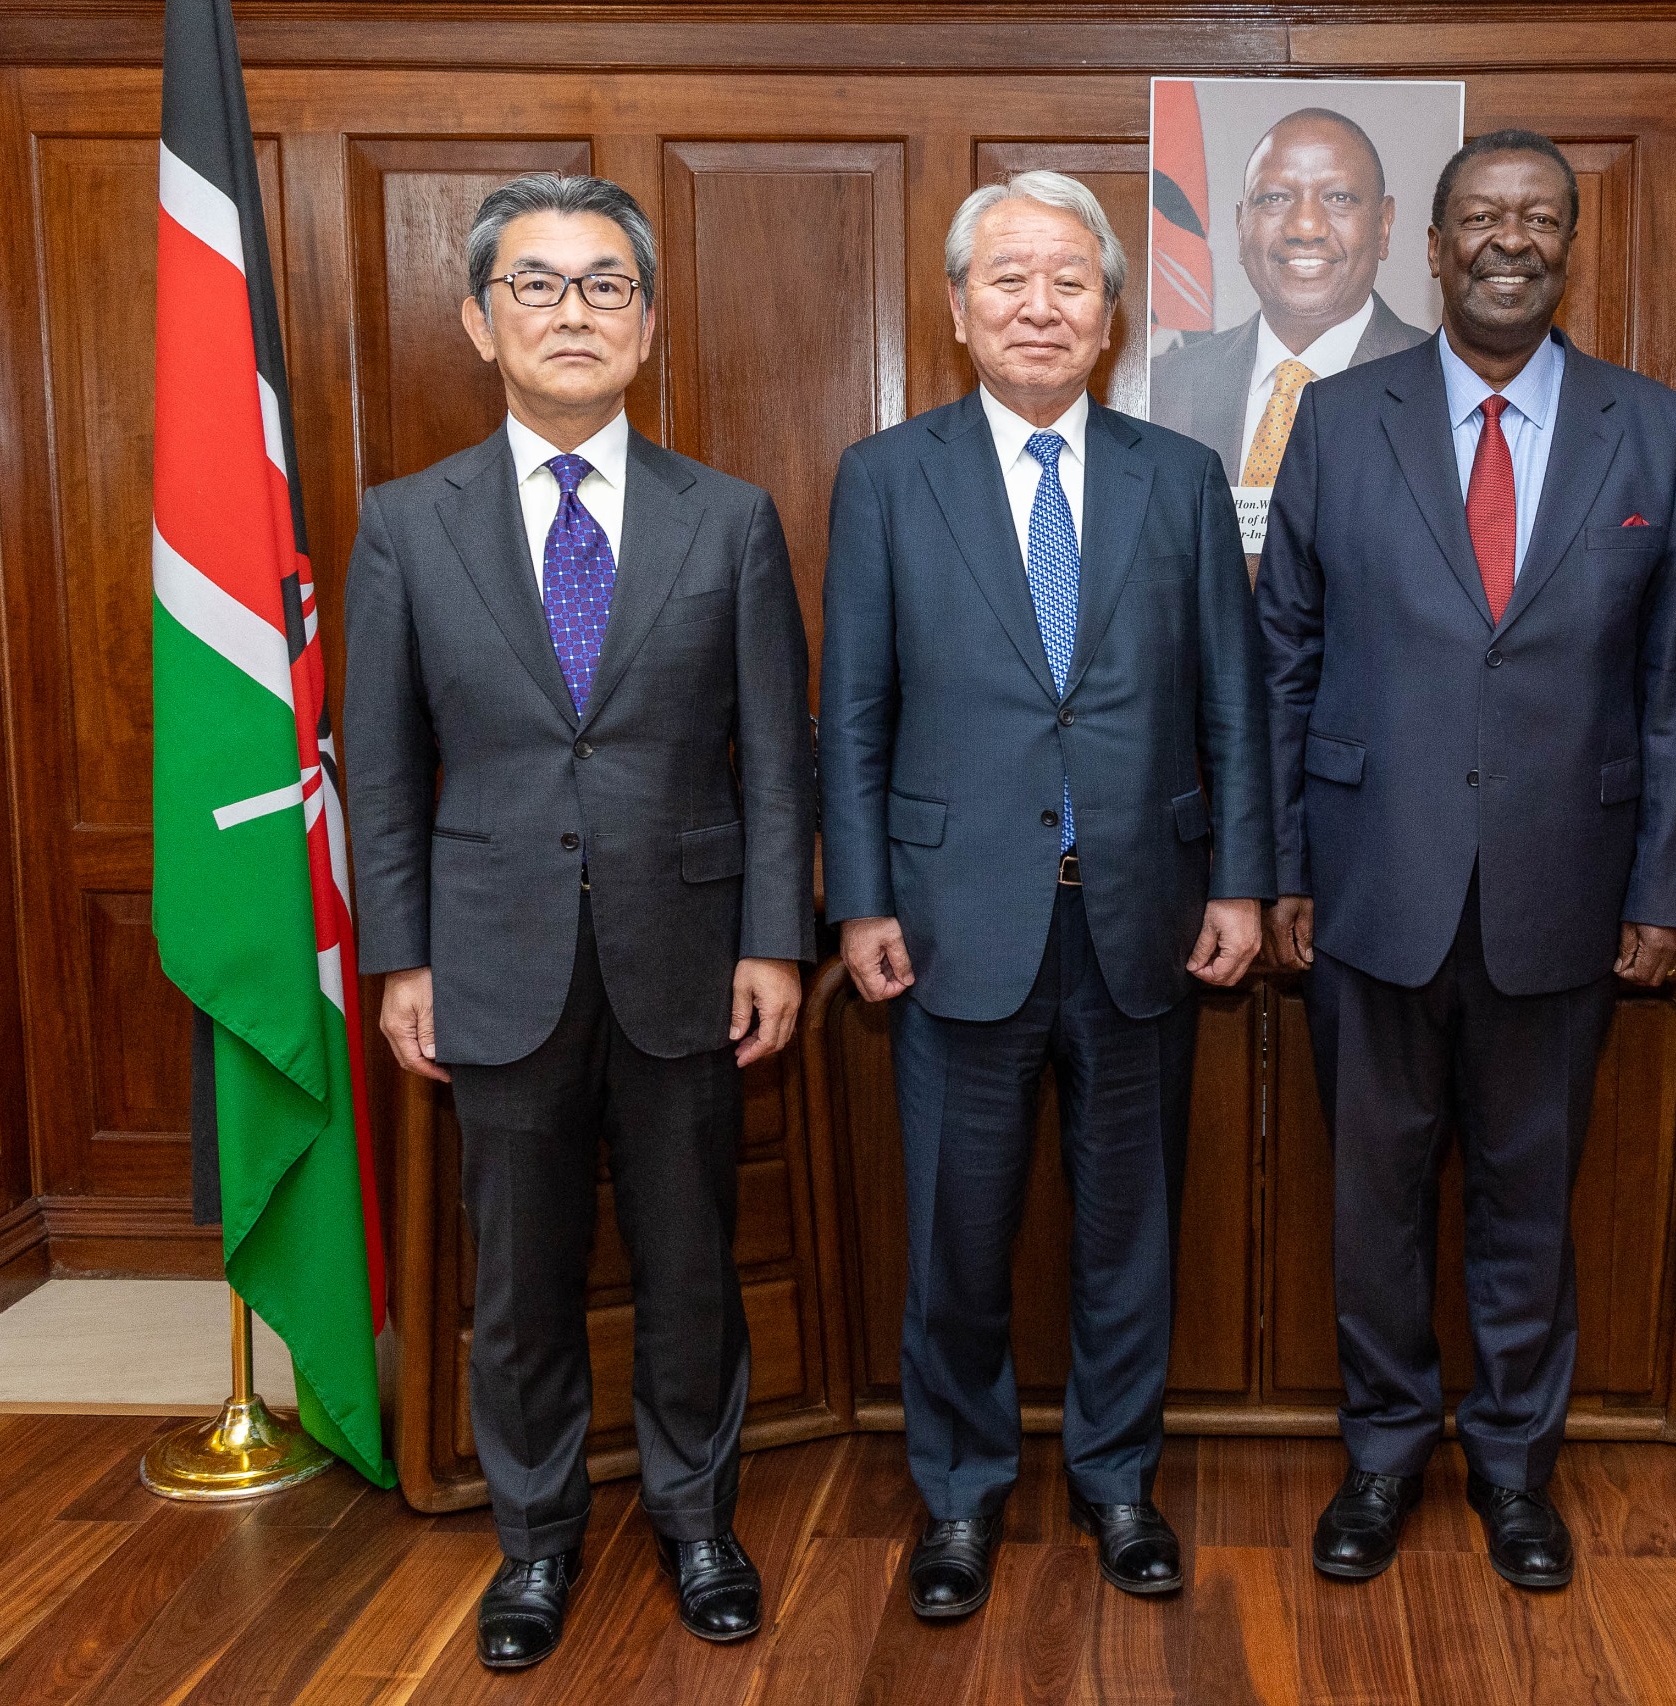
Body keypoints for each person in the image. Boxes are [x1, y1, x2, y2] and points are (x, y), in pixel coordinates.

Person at [345, 172, 813, 1668]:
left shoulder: (728, 519)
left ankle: (697, 1521)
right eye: (537, 285)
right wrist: (402, 956)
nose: (572, 311)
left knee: (690, 1269)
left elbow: (775, 757)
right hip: (491, 957)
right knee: (521, 1279)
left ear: (649, 323)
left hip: (686, 956)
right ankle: (535, 1542)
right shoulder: (405, 526)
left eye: (605, 285)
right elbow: (387, 765)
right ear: (482, 320)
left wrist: (771, 940)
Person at [1260, 130, 1676, 1592]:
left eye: (1537, 218)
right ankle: (1385, 1456)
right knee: (1375, 1199)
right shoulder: (1338, 420)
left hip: (1564, 895)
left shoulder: (1650, 430)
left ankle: (1517, 1467)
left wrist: (1662, 883)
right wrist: (1278, 862)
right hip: (1370, 888)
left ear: (1568, 246)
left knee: (1531, 1198)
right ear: (1435, 248)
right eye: (1480, 219)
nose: (1508, 239)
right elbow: (1283, 658)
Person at [818, 171, 1271, 1622]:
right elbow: (857, 714)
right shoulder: (887, 477)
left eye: (1069, 281)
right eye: (1008, 278)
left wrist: (1247, 881)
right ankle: (957, 1494)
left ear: (1112, 315)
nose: (1040, 305)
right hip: (955, 922)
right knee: (956, 1231)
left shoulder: (1179, 478)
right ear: (957, 309)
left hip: (1144, 911)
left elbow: (1236, 704)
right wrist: (861, 898)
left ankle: (1118, 1479)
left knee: (1128, 1226)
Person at [1149, 107, 1429, 486]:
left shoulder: (1439, 384)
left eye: (1339, 198)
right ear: (1240, 225)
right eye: (1275, 198)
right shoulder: (1165, 387)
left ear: (1383, 225)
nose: (1306, 227)